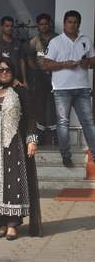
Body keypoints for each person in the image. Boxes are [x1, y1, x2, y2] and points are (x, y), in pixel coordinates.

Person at [0, 57, 43, 240]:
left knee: (14, 181)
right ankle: (0, 222)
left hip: (14, 143)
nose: (4, 73)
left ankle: (12, 224)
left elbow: (32, 116)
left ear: (13, 71)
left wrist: (32, 140)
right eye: (0, 70)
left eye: (8, 69)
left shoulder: (20, 91)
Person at [43, 10, 95, 167]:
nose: (72, 25)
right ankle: (65, 155)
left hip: (83, 88)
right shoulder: (56, 42)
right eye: (69, 22)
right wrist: (65, 64)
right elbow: (46, 64)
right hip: (61, 89)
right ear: (65, 23)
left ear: (79, 23)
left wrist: (88, 63)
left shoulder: (85, 39)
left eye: (75, 22)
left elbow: (92, 60)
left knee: (88, 122)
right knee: (63, 123)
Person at [25, 13, 58, 145]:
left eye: (46, 23)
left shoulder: (58, 39)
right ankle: (40, 135)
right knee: (39, 105)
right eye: (41, 24)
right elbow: (29, 59)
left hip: (56, 76)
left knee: (54, 105)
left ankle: (54, 136)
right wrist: (38, 71)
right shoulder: (34, 41)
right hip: (39, 78)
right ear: (38, 26)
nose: (44, 26)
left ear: (50, 24)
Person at [0, 16, 27, 86]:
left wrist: (25, 81)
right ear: (1, 27)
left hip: (17, 82)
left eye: (11, 26)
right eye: (7, 26)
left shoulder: (18, 43)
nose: (10, 28)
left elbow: (22, 62)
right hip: (1, 81)